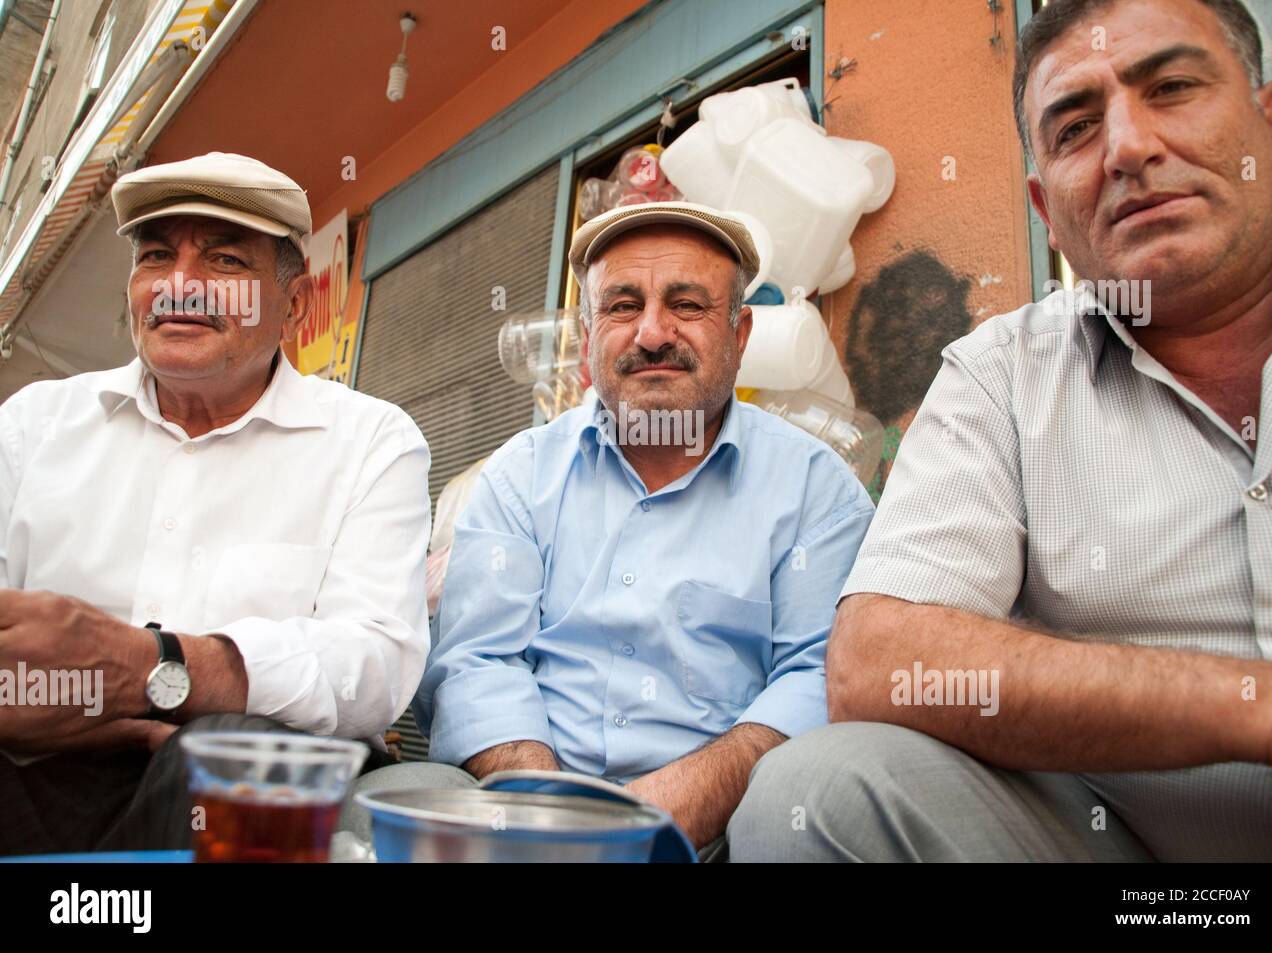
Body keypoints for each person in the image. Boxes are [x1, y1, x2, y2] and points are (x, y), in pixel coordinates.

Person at [730, 0, 1272, 862]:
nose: (1129, 149)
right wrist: (1266, 706)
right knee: (816, 794)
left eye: (1173, 87)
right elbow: (880, 660)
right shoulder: (1002, 372)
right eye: (1075, 129)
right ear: (1044, 205)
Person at [342, 203, 873, 858]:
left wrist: (677, 802)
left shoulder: (815, 489)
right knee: (400, 797)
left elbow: (817, 671)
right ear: (588, 337)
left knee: (811, 795)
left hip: (728, 826)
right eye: (623, 306)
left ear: (739, 334)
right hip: (524, 815)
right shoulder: (518, 478)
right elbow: (476, 661)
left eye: (686, 304)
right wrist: (556, 816)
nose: (652, 333)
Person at [0, 153, 432, 854]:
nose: (178, 285)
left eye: (225, 261)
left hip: (229, 790)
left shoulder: (370, 441)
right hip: (37, 768)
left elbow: (373, 667)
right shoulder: (31, 426)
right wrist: (119, 711)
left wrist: (152, 662)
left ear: (293, 306)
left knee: (239, 754)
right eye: (157, 256)